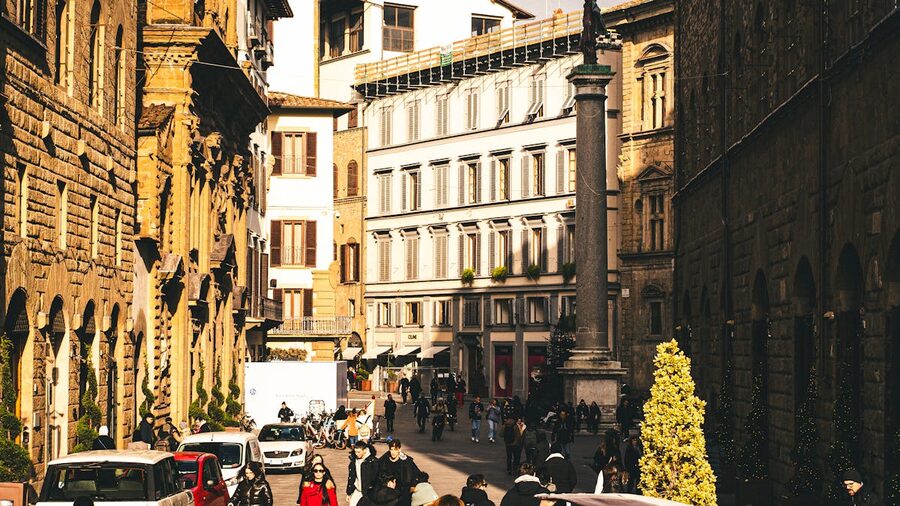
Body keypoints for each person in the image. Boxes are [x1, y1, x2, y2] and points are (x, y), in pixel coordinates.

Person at [377, 439, 425, 506]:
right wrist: (387, 481)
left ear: (399, 449)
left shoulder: (407, 461)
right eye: (391, 449)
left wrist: (413, 485)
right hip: (388, 494)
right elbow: (379, 473)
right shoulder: (384, 460)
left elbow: (417, 473)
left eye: (395, 449)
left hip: (403, 494)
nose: (393, 452)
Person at [347, 440, 379, 506]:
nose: (356, 454)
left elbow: (377, 477)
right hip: (358, 490)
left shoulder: (373, 461)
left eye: (358, 452)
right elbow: (351, 477)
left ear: (364, 450)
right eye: (355, 452)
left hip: (369, 492)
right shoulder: (354, 461)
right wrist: (349, 493)